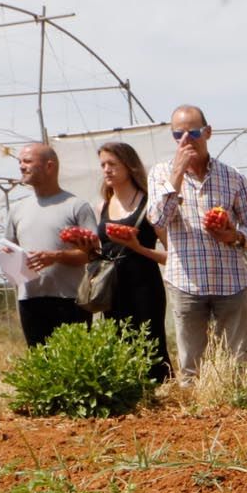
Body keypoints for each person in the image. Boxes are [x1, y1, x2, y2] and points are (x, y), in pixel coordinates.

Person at [146, 105, 247, 379]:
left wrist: (232, 235)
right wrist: (177, 173)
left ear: (208, 132)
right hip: (186, 281)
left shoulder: (233, 177)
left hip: (230, 280)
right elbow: (157, 220)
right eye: (178, 135)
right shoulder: (161, 174)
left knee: (236, 360)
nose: (186, 140)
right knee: (191, 364)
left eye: (193, 132)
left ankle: (236, 406)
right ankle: (195, 414)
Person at [94, 141, 172, 383]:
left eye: (112, 164)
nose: (106, 169)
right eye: (103, 165)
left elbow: (173, 256)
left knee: (151, 342)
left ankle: (159, 391)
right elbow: (100, 251)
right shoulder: (102, 207)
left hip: (144, 285)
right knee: (118, 340)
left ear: (129, 167)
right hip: (113, 287)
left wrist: (138, 248)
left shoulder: (149, 205)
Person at [8, 143, 96, 347]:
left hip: (70, 299)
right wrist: (11, 259)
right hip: (30, 299)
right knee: (40, 362)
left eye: (28, 161)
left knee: (74, 362)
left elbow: (91, 254)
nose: (22, 166)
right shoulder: (17, 209)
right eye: (20, 162)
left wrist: (56, 256)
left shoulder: (76, 206)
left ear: (50, 166)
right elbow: (10, 249)